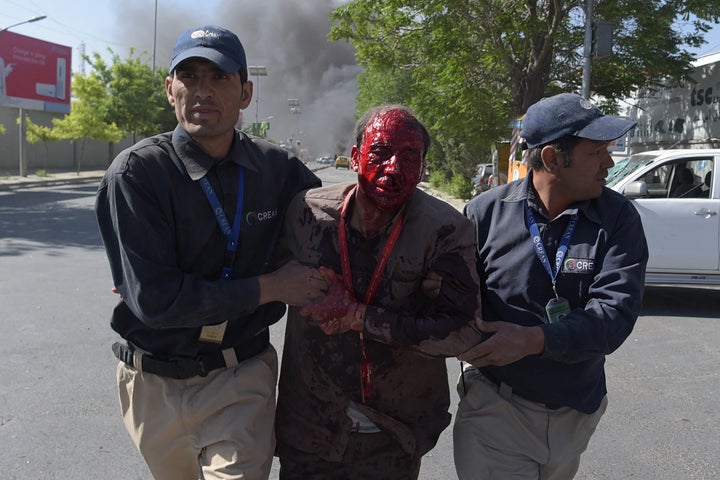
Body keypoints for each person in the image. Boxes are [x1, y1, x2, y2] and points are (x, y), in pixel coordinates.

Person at [95, 25, 324, 480]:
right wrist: (271, 288)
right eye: (190, 76)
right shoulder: (137, 174)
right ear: (170, 89)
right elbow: (158, 302)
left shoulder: (277, 171)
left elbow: (337, 230)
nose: (203, 90)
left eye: (219, 77)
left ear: (245, 92)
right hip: (151, 386)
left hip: (239, 377)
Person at [274, 105, 486, 479]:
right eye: (380, 152)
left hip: (394, 434)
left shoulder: (445, 231)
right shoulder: (307, 214)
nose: (393, 169)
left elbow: (463, 333)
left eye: (409, 157)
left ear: (422, 169)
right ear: (355, 157)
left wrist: (359, 316)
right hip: (311, 430)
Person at [454, 92, 649, 480]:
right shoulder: (484, 215)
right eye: (596, 153)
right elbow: (453, 304)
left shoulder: (618, 218)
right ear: (552, 158)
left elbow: (614, 314)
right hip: (497, 410)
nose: (609, 163)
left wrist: (533, 339)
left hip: (576, 411)